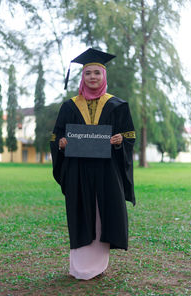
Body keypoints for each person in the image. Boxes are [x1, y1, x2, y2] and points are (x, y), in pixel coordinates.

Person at [50, 48, 136, 280]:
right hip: (78, 170)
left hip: (107, 170)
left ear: (104, 76)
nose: (93, 77)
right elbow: (55, 136)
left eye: (97, 73)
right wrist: (62, 144)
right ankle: (79, 266)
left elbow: (129, 136)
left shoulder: (117, 105)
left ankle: (98, 264)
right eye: (88, 73)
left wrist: (120, 141)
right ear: (83, 77)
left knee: (101, 213)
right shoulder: (69, 106)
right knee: (80, 210)